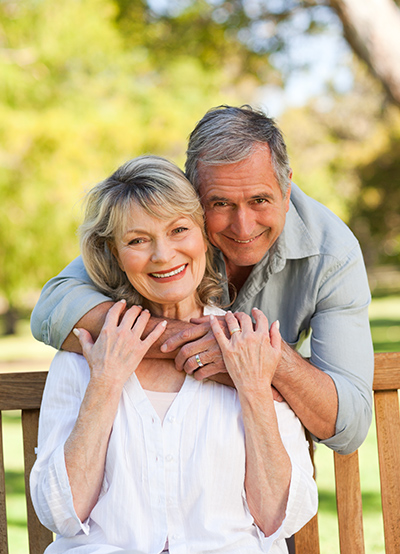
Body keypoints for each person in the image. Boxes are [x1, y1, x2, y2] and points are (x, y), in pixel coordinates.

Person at [30, 156, 318, 554]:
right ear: (115, 256)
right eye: (138, 240)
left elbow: (280, 517)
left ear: (204, 236)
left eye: (178, 230)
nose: (164, 255)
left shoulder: (246, 347)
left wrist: (252, 389)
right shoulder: (83, 357)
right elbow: (60, 511)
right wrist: (107, 381)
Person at [30, 105, 374, 454]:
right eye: (221, 203)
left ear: (286, 192)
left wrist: (259, 356)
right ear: (193, 196)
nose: (243, 226)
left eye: (259, 200)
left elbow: (350, 424)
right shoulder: (171, 232)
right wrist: (200, 339)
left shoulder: (333, 254)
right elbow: (52, 309)